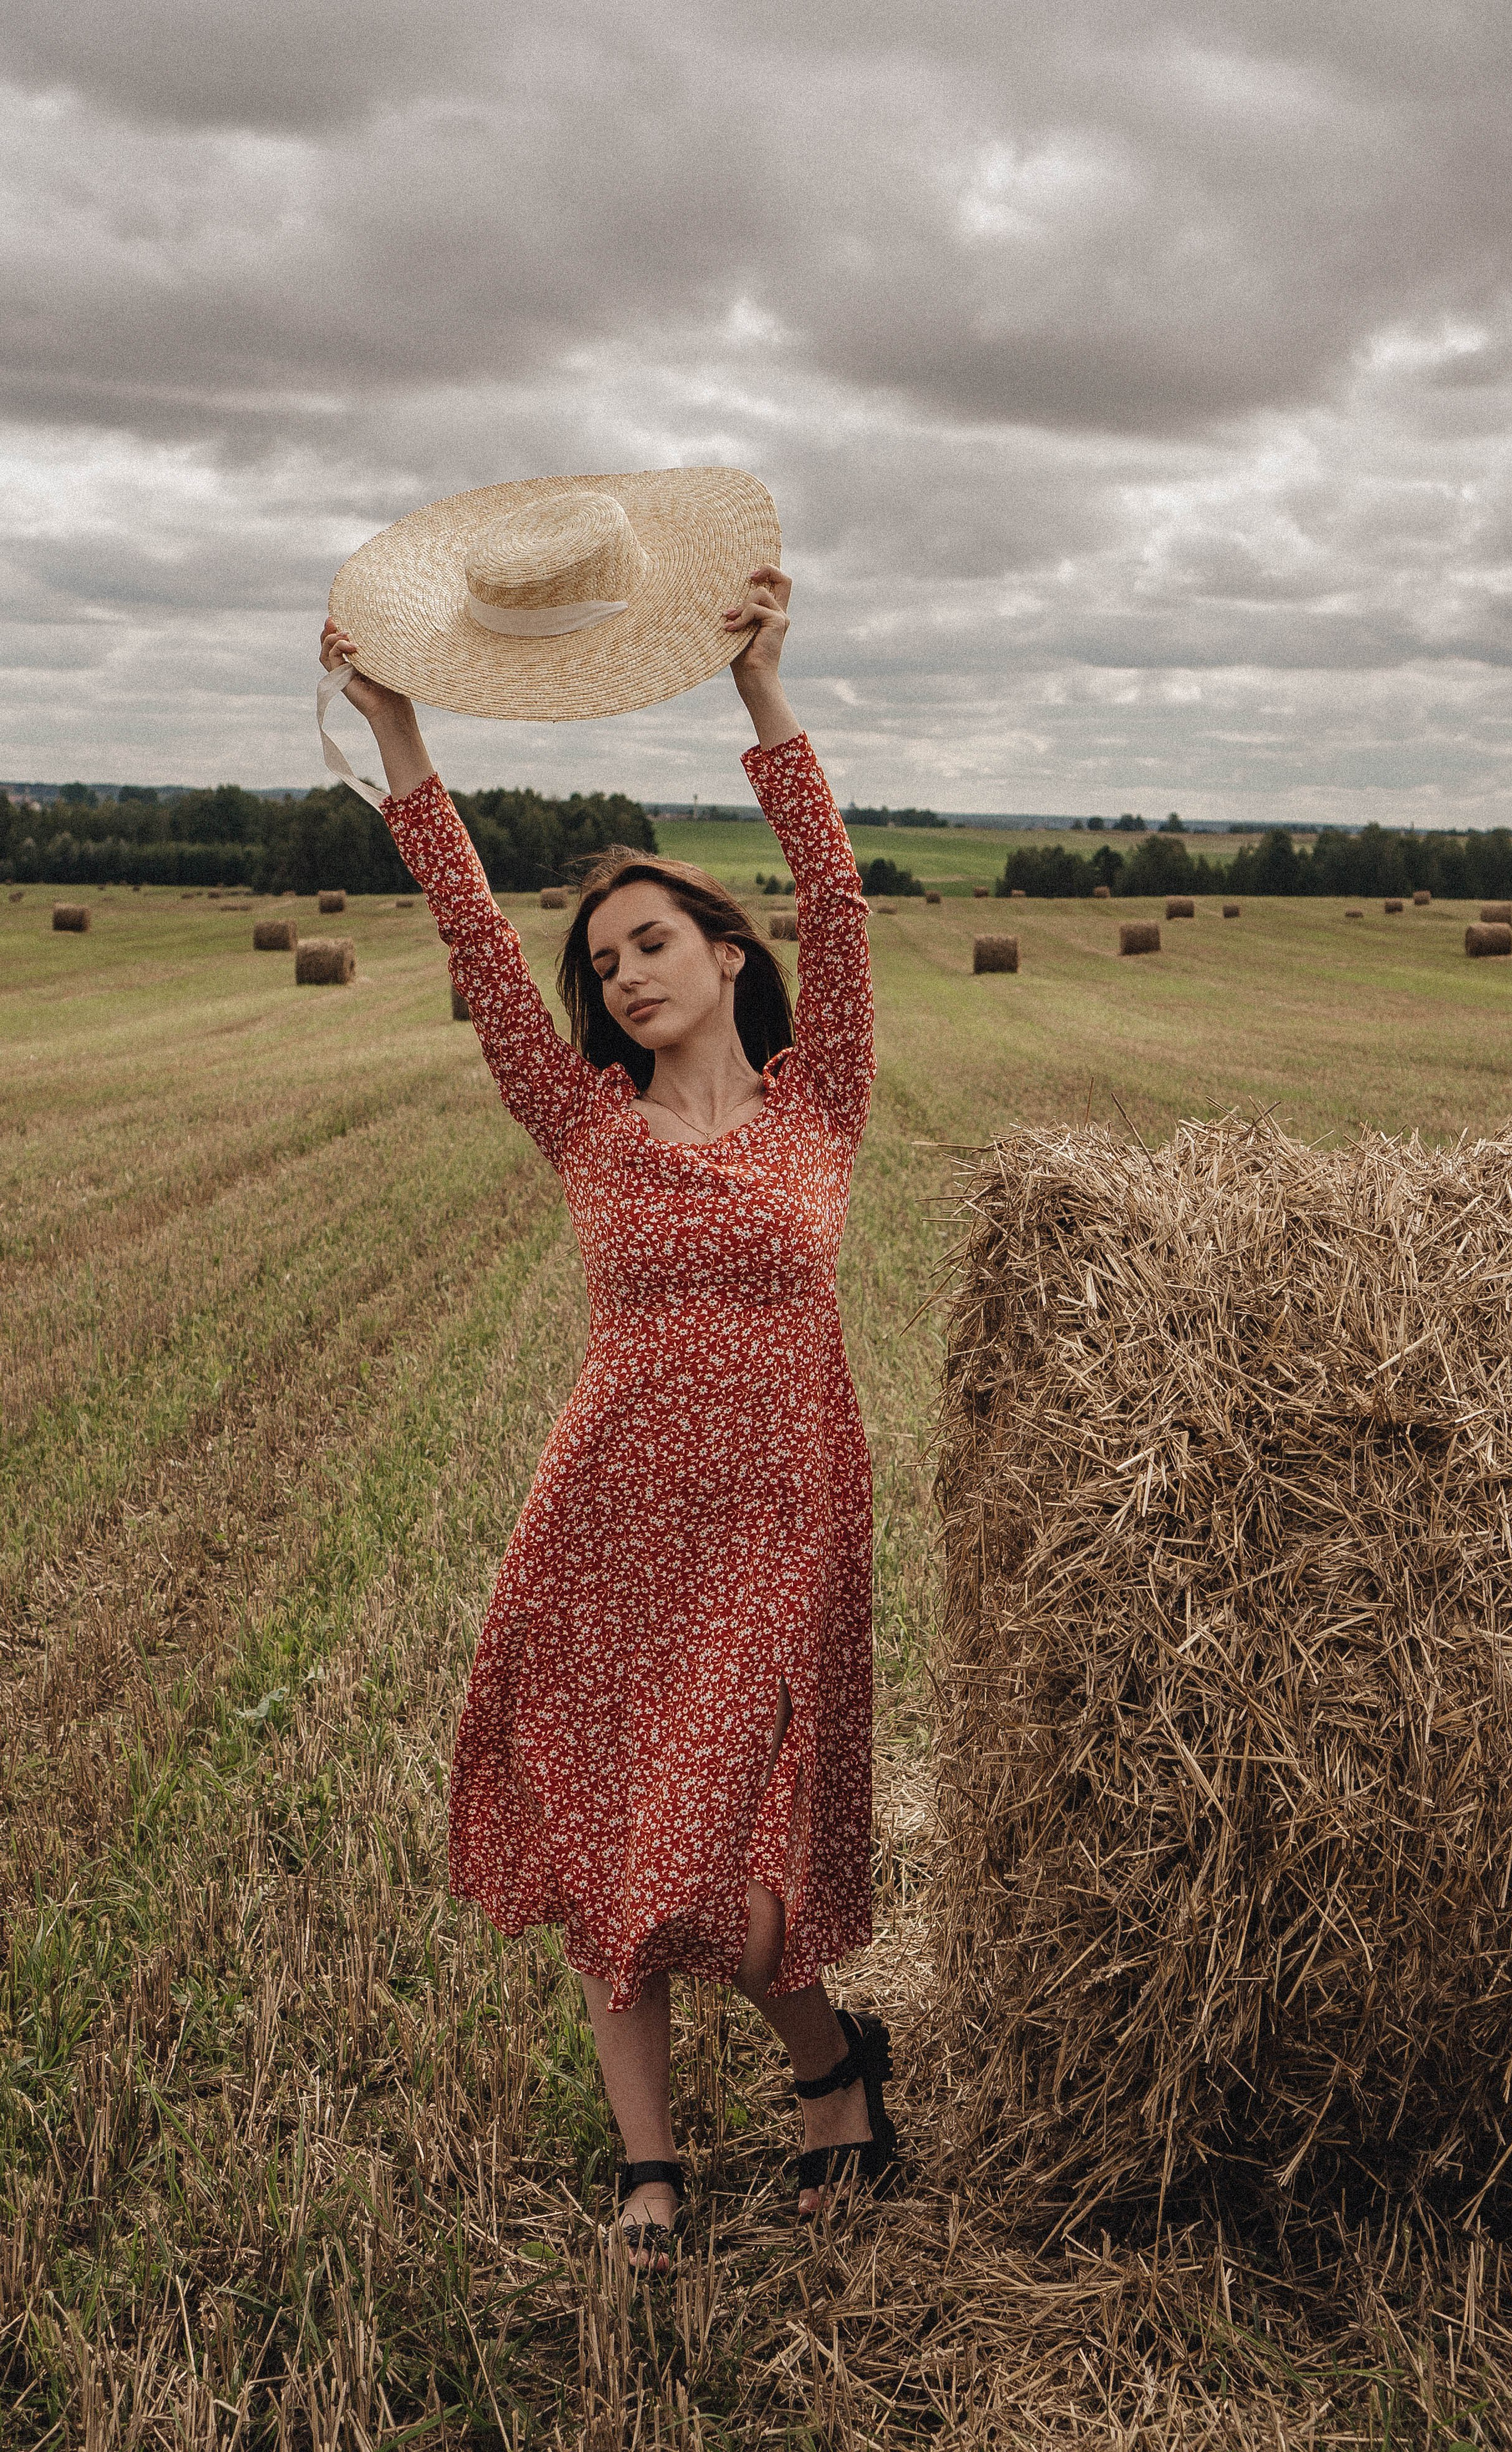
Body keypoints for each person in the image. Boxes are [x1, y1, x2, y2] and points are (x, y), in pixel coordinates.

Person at [319, 558, 896, 2273]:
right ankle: (652, 2166)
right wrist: (399, 732)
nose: (625, 973)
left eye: (654, 942)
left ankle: (832, 2063)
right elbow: (481, 946)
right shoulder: (584, 1126)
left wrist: (762, 695)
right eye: (607, 962)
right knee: (610, 1837)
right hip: (611, 1509)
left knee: (736, 1870)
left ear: (728, 953)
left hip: (787, 1514)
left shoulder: (822, 1101)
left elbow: (842, 899)